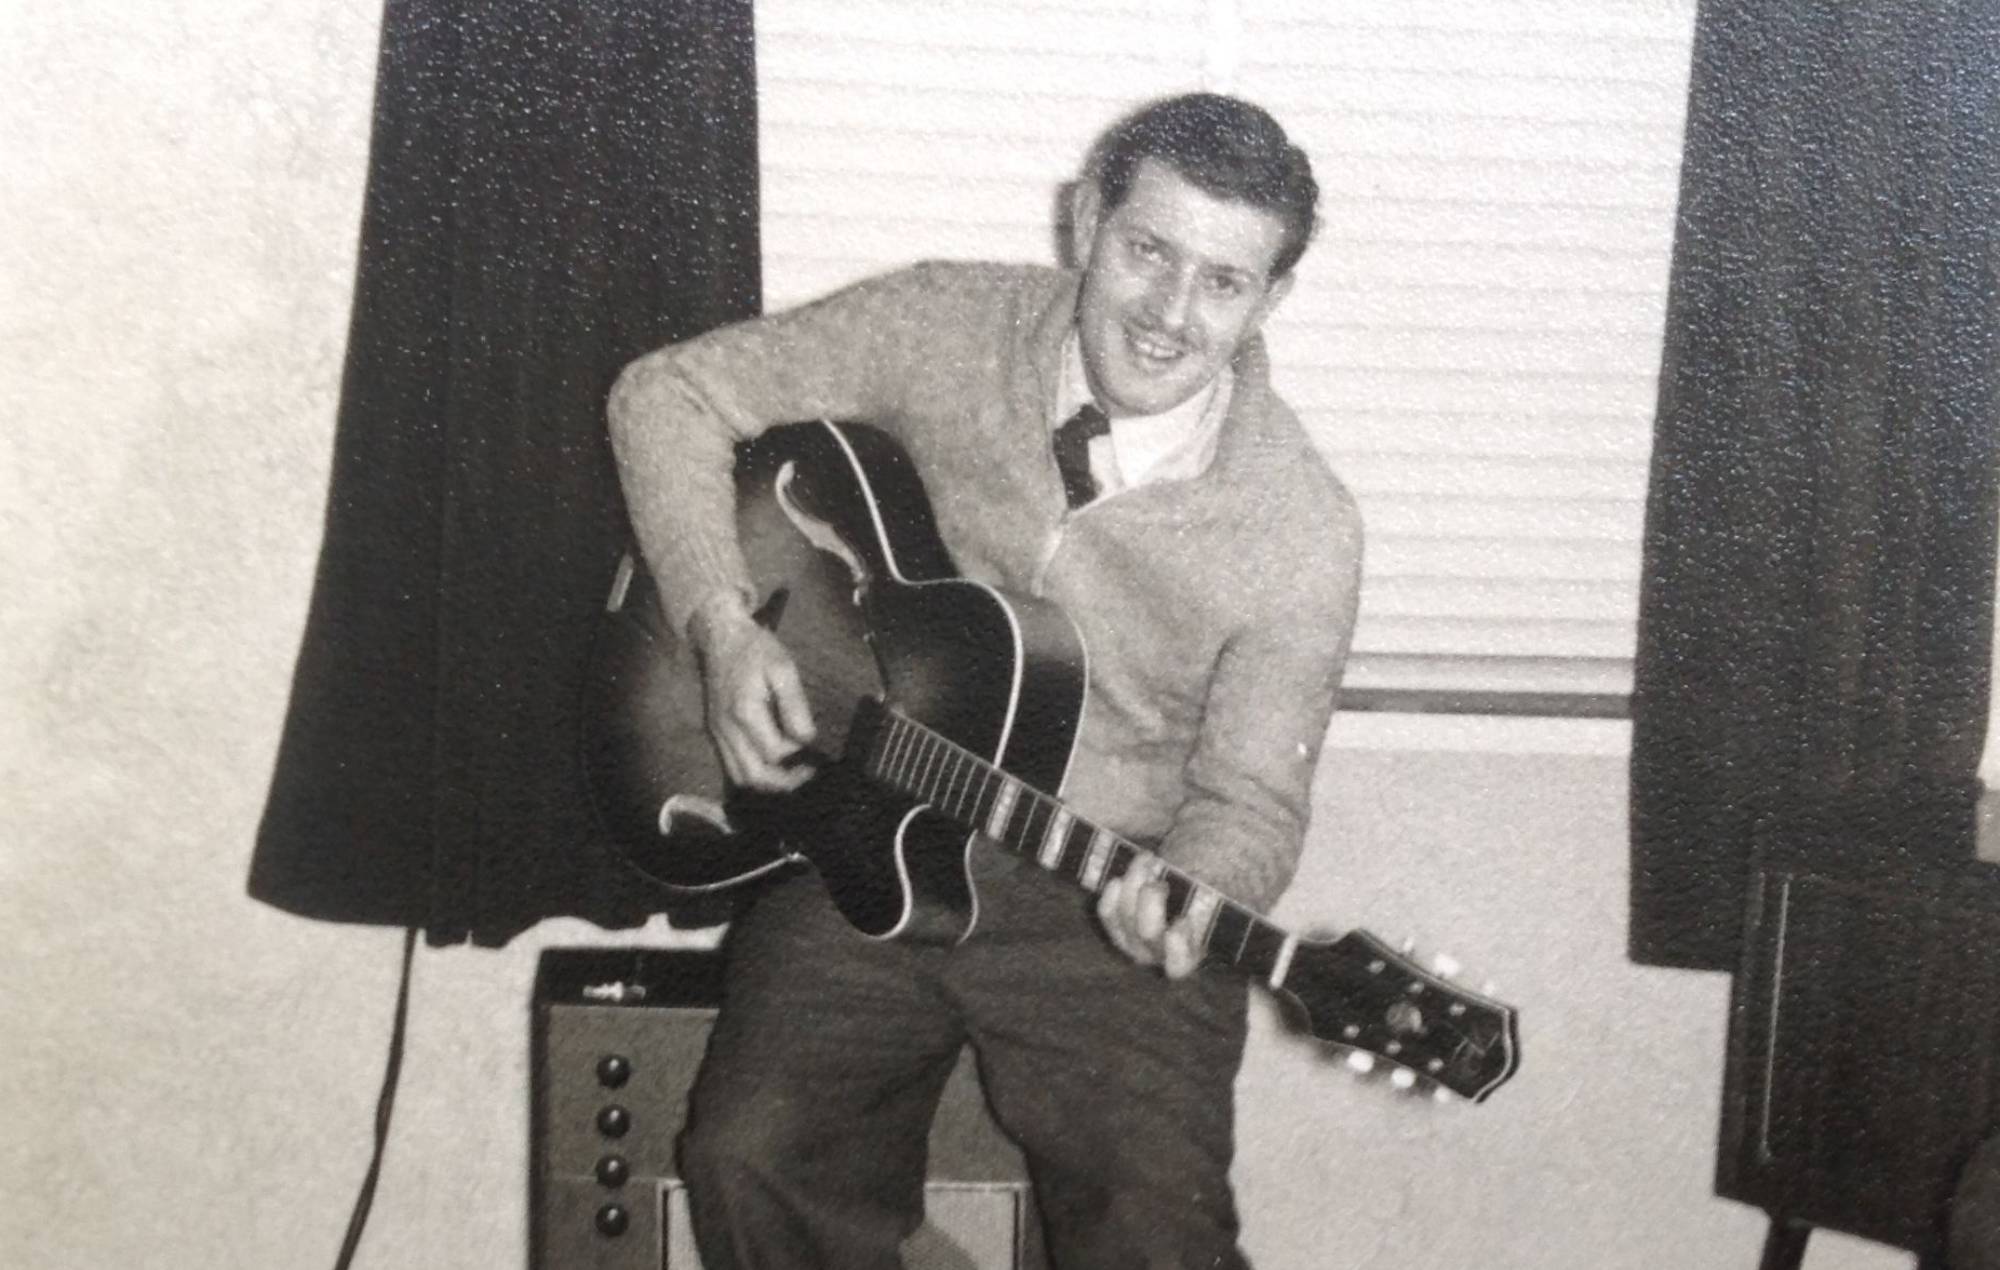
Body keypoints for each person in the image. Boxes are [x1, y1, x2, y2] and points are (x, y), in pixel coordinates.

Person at [607, 91, 1362, 1269]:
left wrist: (1188, 889)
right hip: (862, 824)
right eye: (1145, 250)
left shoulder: (1302, 528)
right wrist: (719, 624)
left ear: (1270, 299)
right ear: (1083, 222)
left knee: (1155, 1239)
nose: (1167, 314)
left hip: (1104, 892)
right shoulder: (942, 320)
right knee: (746, 1155)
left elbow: (1252, 801)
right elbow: (665, 394)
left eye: (1221, 281)